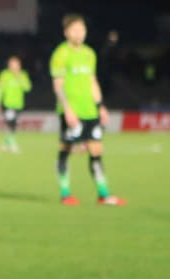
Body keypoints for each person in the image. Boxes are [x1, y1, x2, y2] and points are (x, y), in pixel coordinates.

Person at [51, 14, 124, 205]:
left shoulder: (89, 54)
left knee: (96, 151)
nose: (79, 33)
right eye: (75, 30)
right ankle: (65, 193)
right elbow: (58, 84)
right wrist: (67, 110)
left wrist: (101, 107)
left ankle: (103, 194)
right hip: (72, 112)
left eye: (82, 29)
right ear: (66, 32)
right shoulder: (61, 54)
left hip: (90, 111)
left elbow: (92, 82)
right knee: (65, 150)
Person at [0, 54, 31, 153]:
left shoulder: (23, 75)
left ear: (19, 65)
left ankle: (5, 144)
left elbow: (27, 88)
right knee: (11, 124)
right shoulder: (4, 75)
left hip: (18, 104)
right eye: (12, 64)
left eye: (16, 64)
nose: (14, 67)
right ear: (9, 65)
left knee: (13, 124)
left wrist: (19, 77)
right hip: (7, 104)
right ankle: (13, 145)